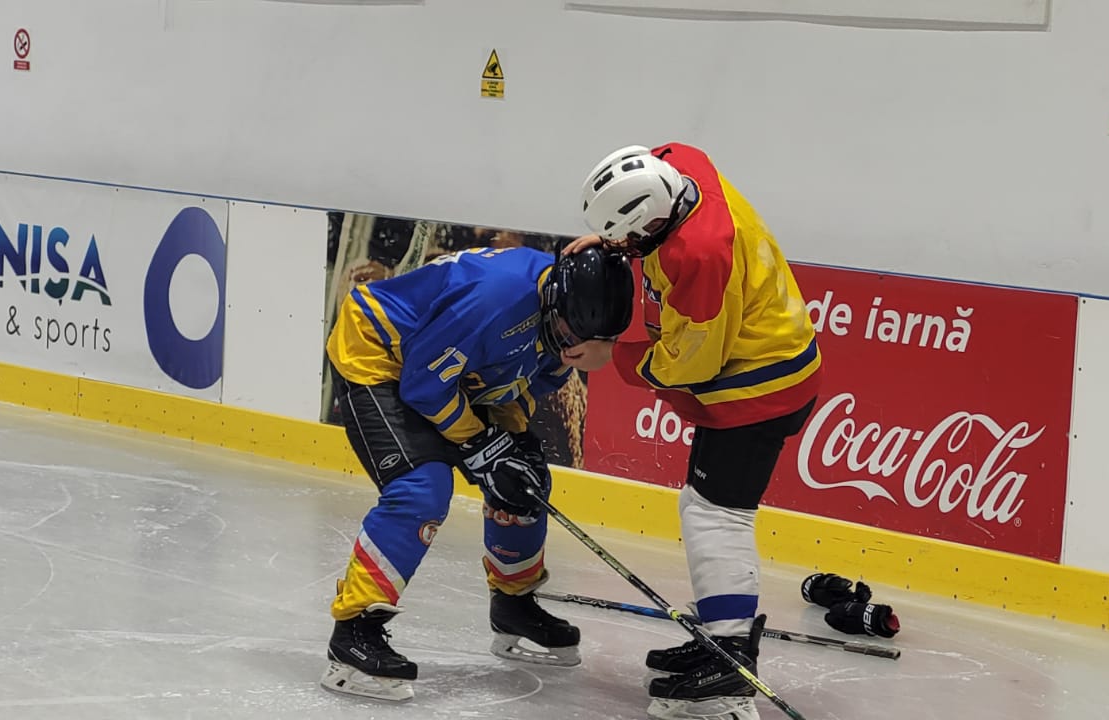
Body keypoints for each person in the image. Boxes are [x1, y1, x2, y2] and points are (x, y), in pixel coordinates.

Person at [567, 143, 822, 720]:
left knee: (717, 515)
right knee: (702, 505)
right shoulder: (683, 163)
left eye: (632, 240)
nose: (627, 250)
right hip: (770, 364)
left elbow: (690, 364)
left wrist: (614, 356)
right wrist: (612, 238)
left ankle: (730, 669)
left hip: (758, 387)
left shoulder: (701, 254)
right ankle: (721, 636)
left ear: (653, 222)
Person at [319, 244, 635, 702]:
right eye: (566, 333)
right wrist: (482, 446)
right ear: (555, 300)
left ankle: (513, 605)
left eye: (579, 342)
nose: (568, 345)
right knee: (422, 489)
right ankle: (353, 632)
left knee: (523, 481)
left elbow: (519, 383)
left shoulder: (567, 324)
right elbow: (424, 385)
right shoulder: (497, 298)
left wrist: (510, 447)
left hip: (447, 366)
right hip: (380, 354)